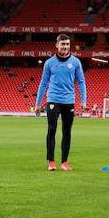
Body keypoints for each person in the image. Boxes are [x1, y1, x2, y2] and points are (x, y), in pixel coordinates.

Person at [34, 33, 87, 171]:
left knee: (67, 131)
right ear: (57, 45)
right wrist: (38, 104)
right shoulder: (49, 63)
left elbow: (81, 82)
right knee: (51, 129)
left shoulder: (75, 62)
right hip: (53, 99)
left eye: (67, 44)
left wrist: (83, 100)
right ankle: (51, 161)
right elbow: (43, 83)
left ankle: (64, 162)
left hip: (69, 100)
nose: (65, 47)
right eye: (63, 44)